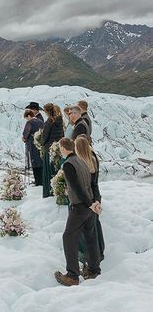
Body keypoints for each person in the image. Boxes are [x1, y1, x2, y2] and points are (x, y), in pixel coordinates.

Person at [54, 138, 101, 286]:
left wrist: (89, 204)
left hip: (80, 207)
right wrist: (95, 202)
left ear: (63, 148)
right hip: (89, 208)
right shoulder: (82, 161)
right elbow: (92, 184)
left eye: (60, 149)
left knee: (68, 237)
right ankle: (94, 270)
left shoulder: (68, 164)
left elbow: (76, 188)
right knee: (90, 237)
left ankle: (72, 275)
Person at [75, 135, 105, 269]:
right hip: (95, 196)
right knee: (95, 226)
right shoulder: (93, 159)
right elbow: (94, 184)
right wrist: (97, 200)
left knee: (85, 231)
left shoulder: (80, 163)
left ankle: (88, 259)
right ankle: (99, 252)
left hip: (85, 200)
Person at [41, 103, 64, 198]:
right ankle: (57, 190)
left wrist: (41, 142)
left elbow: (44, 137)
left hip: (49, 149)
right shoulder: (59, 121)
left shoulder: (49, 122)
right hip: (57, 149)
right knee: (56, 169)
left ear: (47, 112)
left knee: (48, 171)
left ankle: (49, 192)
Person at [22, 109, 43, 186]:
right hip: (40, 145)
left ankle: (38, 181)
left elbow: (25, 134)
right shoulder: (40, 121)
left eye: (26, 117)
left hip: (32, 145)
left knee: (34, 163)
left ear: (29, 116)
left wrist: (24, 138)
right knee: (40, 162)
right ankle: (42, 180)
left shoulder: (29, 122)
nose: (26, 119)